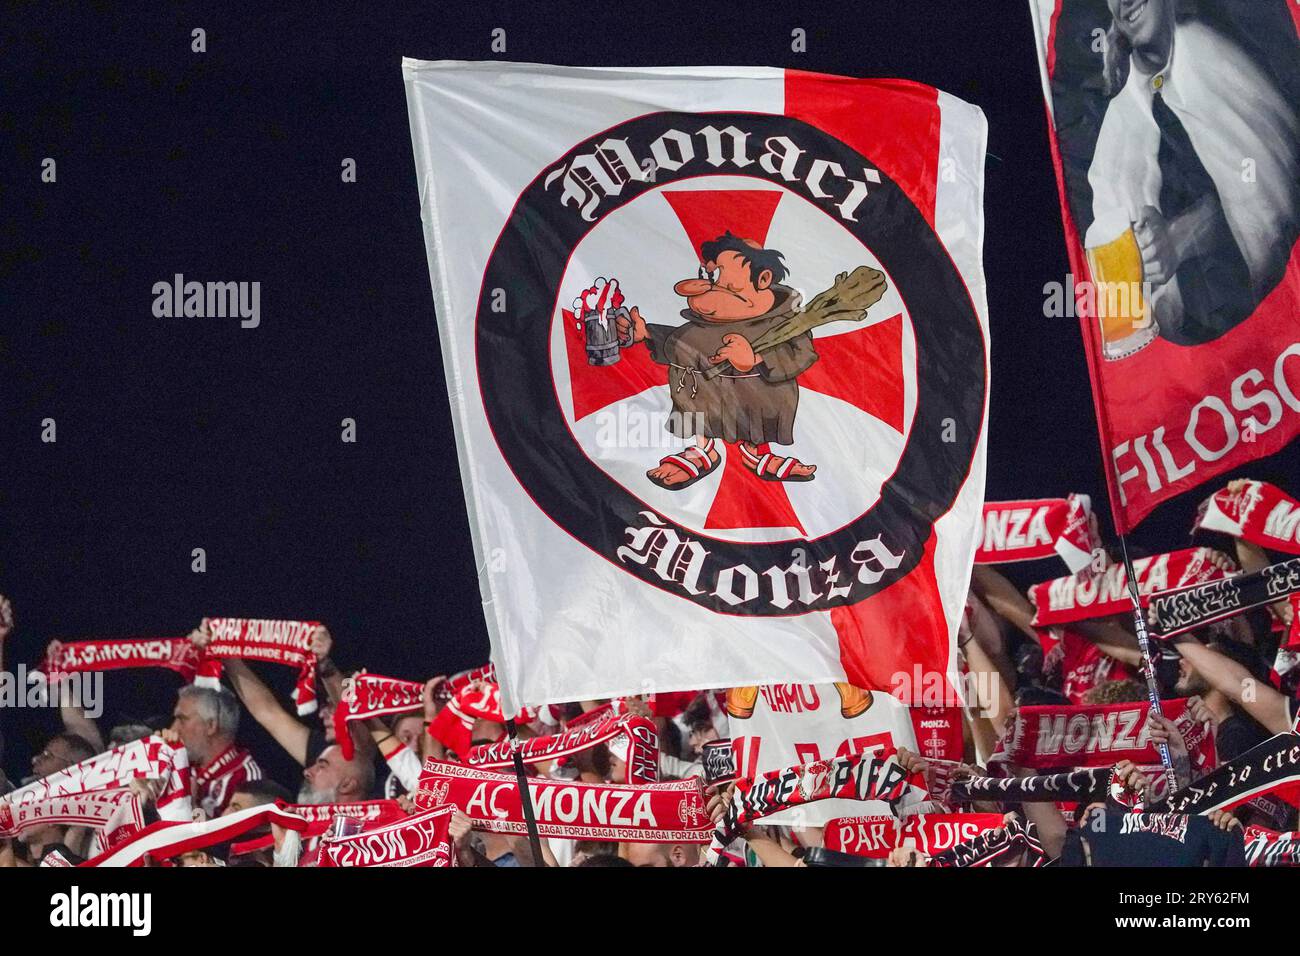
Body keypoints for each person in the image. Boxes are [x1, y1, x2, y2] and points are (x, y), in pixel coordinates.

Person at [1086, 0, 1299, 343]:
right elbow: (1126, 318)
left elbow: (1274, 192)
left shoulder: (1222, 55)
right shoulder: (1115, 143)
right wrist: (1147, 273)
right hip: (1210, 370)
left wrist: (1186, 233)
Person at [171, 685, 262, 817]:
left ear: (211, 726)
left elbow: (234, 837)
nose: (174, 729)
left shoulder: (246, 778)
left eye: (182, 720)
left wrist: (190, 806)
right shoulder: (181, 765)